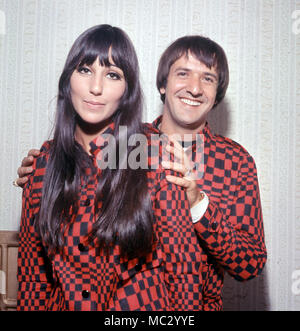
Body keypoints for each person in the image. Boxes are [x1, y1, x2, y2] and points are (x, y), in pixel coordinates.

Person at [15, 34, 267, 310]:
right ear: (162, 84)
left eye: (207, 78)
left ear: (217, 92)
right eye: (183, 73)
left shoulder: (235, 161)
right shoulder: (127, 147)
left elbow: (250, 264)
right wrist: (51, 165)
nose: (194, 88)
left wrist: (198, 204)